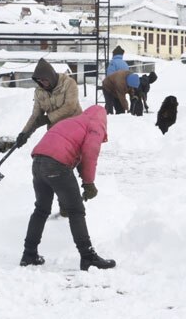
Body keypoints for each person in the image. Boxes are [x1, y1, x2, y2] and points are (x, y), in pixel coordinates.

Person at [20, 105, 116, 271]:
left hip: (38, 162)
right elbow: (90, 153)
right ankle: (87, 257)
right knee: (76, 211)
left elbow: (73, 150)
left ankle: (29, 254)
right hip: (56, 165)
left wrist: (82, 181)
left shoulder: (73, 121)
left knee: (41, 210)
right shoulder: (96, 125)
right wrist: (89, 183)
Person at [16, 58, 82, 147]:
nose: (42, 83)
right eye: (39, 81)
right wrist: (24, 133)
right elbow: (36, 116)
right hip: (56, 131)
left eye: (44, 80)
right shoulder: (39, 92)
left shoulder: (68, 83)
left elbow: (70, 107)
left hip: (74, 127)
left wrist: (48, 118)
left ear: (50, 76)